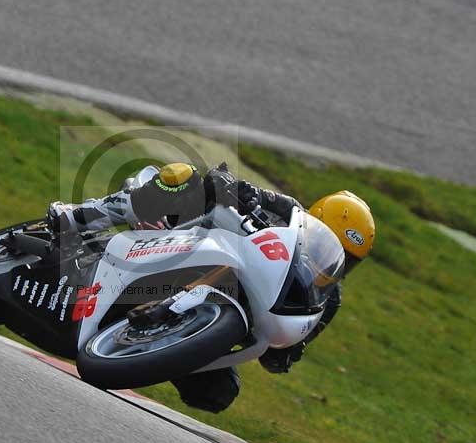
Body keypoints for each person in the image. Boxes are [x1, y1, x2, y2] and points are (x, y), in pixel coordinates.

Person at [47, 162, 375, 412]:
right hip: (188, 244)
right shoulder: (287, 209)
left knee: (218, 393)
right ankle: (82, 215)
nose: (335, 261)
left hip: (214, 316)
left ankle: (146, 348)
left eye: (348, 260)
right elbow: (237, 189)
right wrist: (235, 189)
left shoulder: (327, 300)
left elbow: (278, 356)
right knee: (186, 178)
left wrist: (289, 350)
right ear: (312, 222)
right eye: (331, 244)